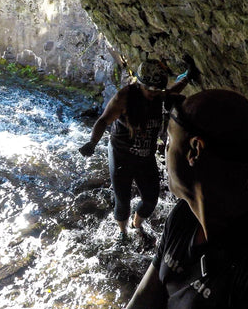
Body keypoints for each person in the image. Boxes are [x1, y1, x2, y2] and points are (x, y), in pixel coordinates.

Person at [93, 89, 248, 309]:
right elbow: (145, 305)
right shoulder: (184, 216)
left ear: (194, 150)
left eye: (170, 139)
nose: (163, 149)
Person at [79, 57, 198, 241]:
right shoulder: (124, 97)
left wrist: (188, 77)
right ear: (140, 83)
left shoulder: (158, 95)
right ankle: (122, 233)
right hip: (121, 156)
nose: (153, 93)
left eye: (157, 90)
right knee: (123, 201)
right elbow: (103, 121)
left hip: (145, 157)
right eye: (149, 89)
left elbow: (172, 92)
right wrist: (92, 143)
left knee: (151, 200)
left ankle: (136, 225)